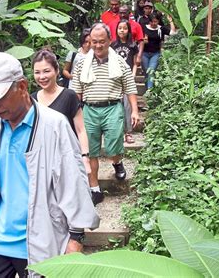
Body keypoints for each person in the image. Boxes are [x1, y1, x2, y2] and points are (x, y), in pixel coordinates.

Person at [0, 52, 99, 277]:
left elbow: (73, 181)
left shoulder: (54, 125)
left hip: (40, 240)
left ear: (21, 86)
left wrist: (76, 237)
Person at [71, 23, 139, 204]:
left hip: (113, 108)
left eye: (102, 41)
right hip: (89, 110)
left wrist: (134, 110)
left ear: (110, 41)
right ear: (89, 42)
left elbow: (130, 87)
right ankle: (94, 189)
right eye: (94, 42)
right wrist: (73, 115)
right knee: (90, 151)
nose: (98, 45)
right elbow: (76, 91)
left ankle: (116, 162)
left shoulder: (120, 63)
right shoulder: (81, 65)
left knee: (112, 148)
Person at [31, 49, 99, 204]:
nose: (42, 77)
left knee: (73, 202)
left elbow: (81, 130)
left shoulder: (69, 95)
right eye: (37, 72)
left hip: (68, 158)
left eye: (46, 71)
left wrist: (85, 158)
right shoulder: (32, 100)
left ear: (56, 71)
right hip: (43, 161)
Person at [111, 19, 139, 144]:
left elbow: (134, 63)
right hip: (115, 79)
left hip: (127, 79)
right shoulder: (112, 45)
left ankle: (128, 133)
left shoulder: (133, 46)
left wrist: (132, 75)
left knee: (127, 106)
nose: (122, 30)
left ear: (128, 30)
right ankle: (117, 133)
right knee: (116, 106)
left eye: (125, 28)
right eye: (120, 28)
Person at [142, 12, 176, 89]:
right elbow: (138, 40)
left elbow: (173, 33)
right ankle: (147, 89)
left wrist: (170, 21)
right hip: (144, 53)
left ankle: (149, 91)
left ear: (158, 21)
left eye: (155, 21)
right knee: (146, 72)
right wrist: (143, 41)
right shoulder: (144, 28)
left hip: (155, 53)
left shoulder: (161, 28)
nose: (153, 23)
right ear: (149, 21)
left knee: (151, 71)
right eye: (152, 21)